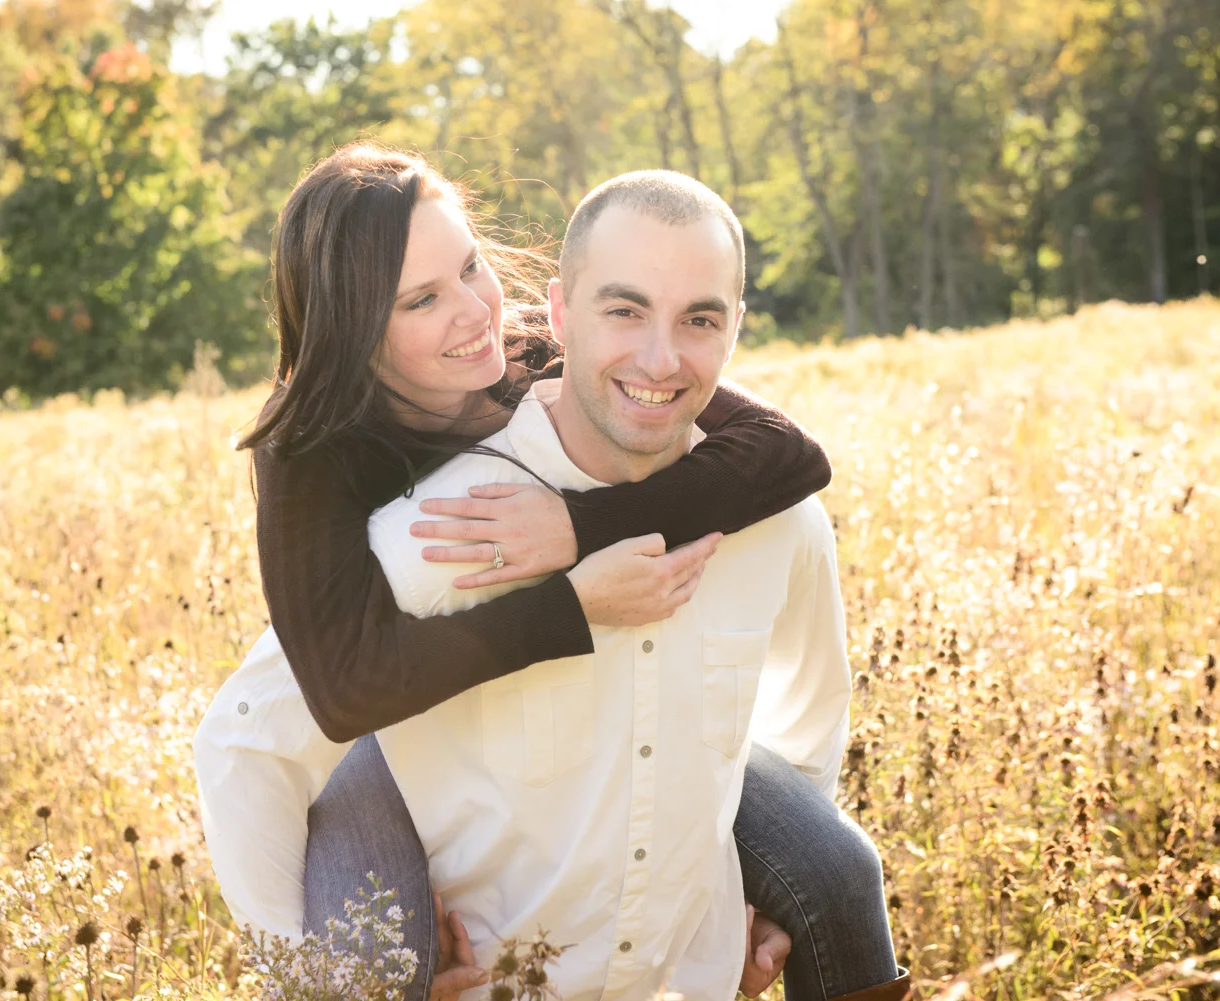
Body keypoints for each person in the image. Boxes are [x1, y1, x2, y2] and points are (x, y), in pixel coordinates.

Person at [194, 147, 906, 1001]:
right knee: (365, 977)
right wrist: (571, 605)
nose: (475, 312)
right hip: (380, 713)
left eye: (471, 268)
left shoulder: (536, 342)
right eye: (423, 299)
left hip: (557, 688)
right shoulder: (322, 466)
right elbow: (330, 695)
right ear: (358, 332)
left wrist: (575, 528)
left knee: (836, 868)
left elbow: (787, 452)